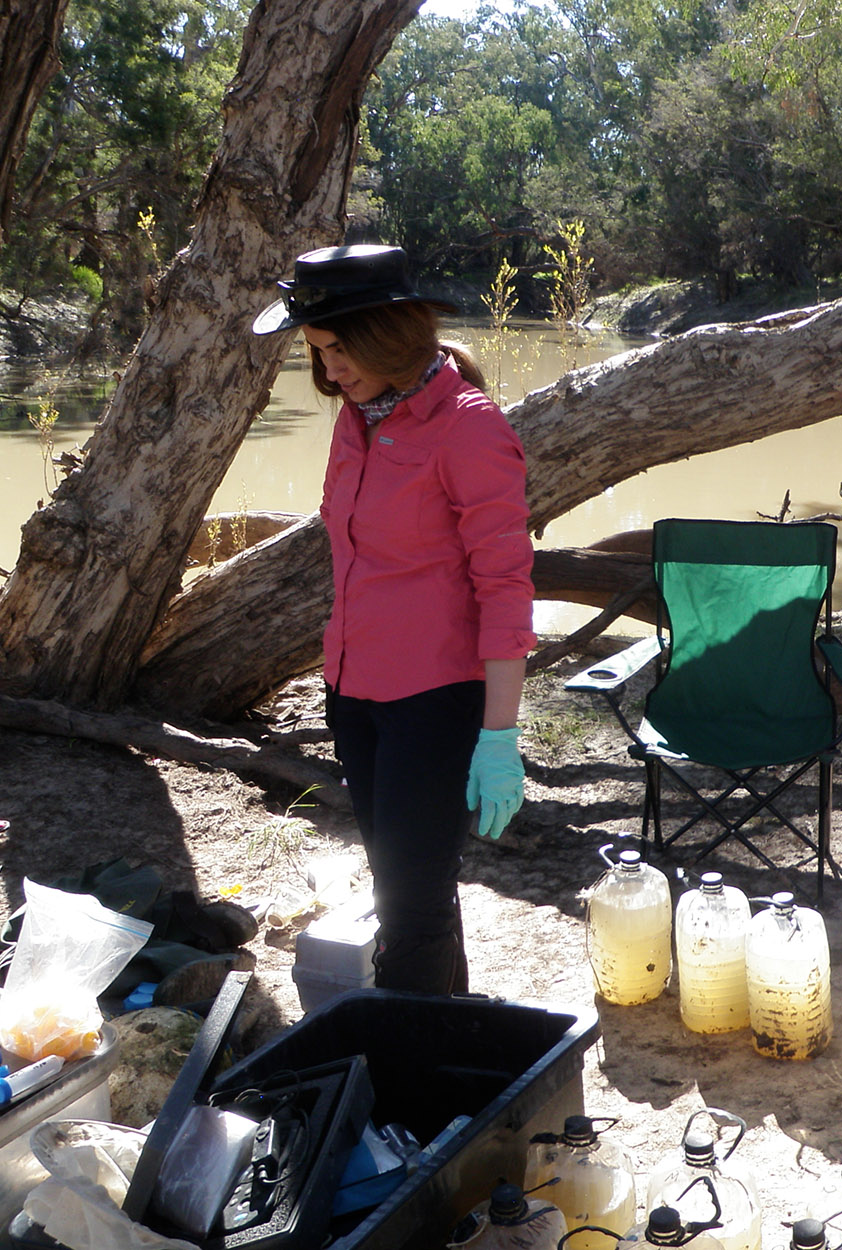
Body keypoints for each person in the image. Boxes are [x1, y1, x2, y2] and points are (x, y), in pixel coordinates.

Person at [254, 245, 534, 995]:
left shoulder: (469, 428)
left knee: (411, 908)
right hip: (355, 693)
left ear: (387, 336)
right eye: (317, 353)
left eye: (341, 349)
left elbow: (505, 589)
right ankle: (448, 1030)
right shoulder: (359, 418)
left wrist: (499, 735)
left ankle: (411, 1072)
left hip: (434, 703)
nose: (329, 371)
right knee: (405, 891)